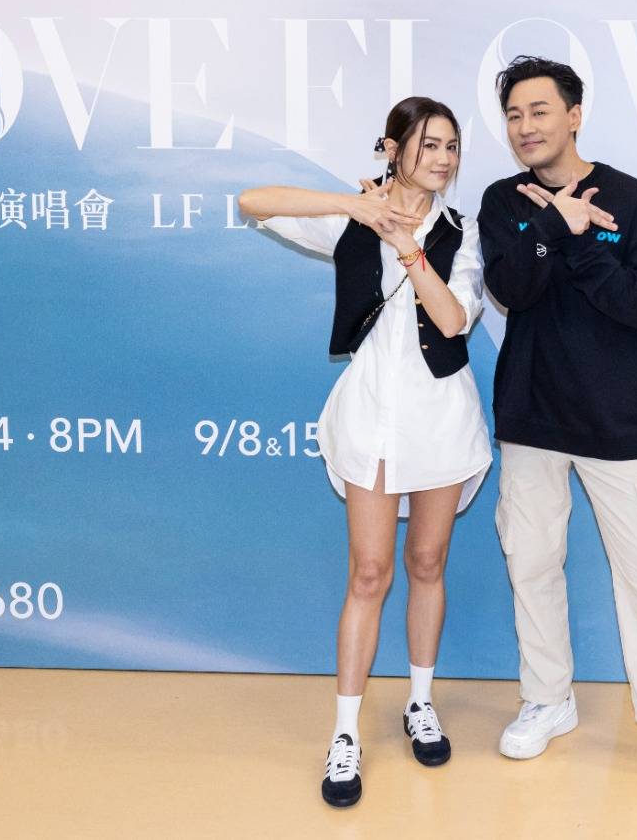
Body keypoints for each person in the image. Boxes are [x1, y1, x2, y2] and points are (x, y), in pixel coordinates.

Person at [477, 55, 637, 794]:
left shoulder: (633, 200)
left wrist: (581, 239)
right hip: (530, 416)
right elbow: (511, 287)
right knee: (532, 565)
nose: (525, 126)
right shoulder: (503, 202)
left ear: (574, 114)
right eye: (514, 115)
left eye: (539, 111)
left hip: (614, 421)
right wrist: (551, 225)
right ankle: (547, 700)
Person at [238, 96, 491, 807]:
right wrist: (355, 207)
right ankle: (345, 733)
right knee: (370, 571)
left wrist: (408, 245)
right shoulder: (353, 217)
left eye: (452, 146)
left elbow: (453, 318)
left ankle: (419, 701)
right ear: (392, 147)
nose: (443, 159)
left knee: (428, 562)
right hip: (372, 417)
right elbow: (253, 200)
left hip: (440, 418)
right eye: (429, 144)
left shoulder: (463, 231)